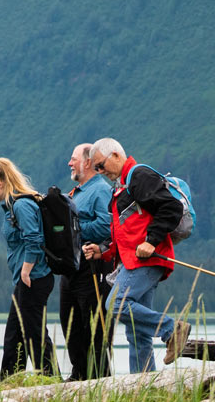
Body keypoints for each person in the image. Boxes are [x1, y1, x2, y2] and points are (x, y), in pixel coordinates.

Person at [83, 137, 192, 374]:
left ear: (115, 155)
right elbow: (126, 233)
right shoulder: (121, 187)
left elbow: (170, 208)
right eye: (96, 168)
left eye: (101, 165)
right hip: (133, 261)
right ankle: (143, 386)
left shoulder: (139, 176)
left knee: (116, 303)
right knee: (136, 332)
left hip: (147, 260)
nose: (100, 172)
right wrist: (102, 251)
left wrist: (151, 241)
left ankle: (172, 329)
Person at [0, 157, 55, 379]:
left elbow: (34, 239)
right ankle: (10, 379)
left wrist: (25, 270)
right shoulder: (13, 207)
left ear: (0, 183)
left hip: (34, 277)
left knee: (34, 332)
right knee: (14, 333)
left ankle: (50, 378)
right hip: (26, 279)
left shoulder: (21, 205)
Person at [61, 143, 116, 380]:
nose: (70, 163)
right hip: (71, 265)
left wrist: (72, 230)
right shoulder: (77, 191)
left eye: (73, 159)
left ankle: (100, 377)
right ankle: (79, 374)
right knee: (69, 322)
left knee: (94, 324)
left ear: (87, 162)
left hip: (93, 265)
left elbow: (106, 225)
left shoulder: (101, 190)